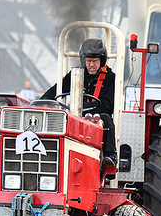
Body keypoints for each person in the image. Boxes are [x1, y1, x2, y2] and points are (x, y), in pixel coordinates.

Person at [42, 39, 117, 168]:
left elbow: (107, 105)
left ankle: (110, 157)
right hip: (76, 118)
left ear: (102, 60)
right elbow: (55, 91)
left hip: (97, 119)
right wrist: (42, 102)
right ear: (83, 61)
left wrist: (78, 106)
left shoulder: (110, 77)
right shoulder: (75, 74)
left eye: (95, 61)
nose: (91, 65)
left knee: (106, 118)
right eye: (88, 61)